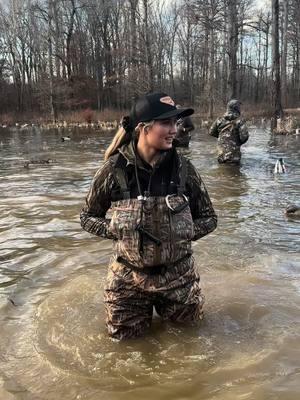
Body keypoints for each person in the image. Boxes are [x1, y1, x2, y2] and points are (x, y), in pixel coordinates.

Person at [80, 92, 217, 340]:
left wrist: (180, 232)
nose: (175, 130)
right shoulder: (114, 171)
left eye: (175, 123)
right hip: (127, 279)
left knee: (189, 342)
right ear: (144, 128)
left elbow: (209, 218)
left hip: (179, 278)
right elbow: (87, 217)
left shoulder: (184, 170)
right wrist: (116, 229)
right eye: (166, 123)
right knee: (123, 350)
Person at [209, 99, 249, 164]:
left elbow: (211, 132)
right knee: (234, 173)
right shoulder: (240, 121)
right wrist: (237, 142)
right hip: (234, 156)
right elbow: (244, 137)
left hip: (221, 155)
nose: (240, 109)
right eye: (239, 107)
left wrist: (221, 137)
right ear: (236, 108)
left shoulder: (219, 119)